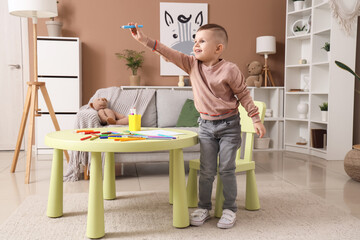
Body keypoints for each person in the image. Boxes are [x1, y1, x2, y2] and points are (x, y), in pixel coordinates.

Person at [127, 22, 266, 229]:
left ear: (218, 48)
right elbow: (168, 52)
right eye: (195, 41)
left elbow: (244, 95)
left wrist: (255, 118)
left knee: (227, 168)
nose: (196, 45)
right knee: (207, 169)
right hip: (206, 127)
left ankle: (229, 208)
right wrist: (144, 40)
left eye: (202, 41)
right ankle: (203, 207)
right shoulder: (191, 64)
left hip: (229, 126)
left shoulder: (230, 69)